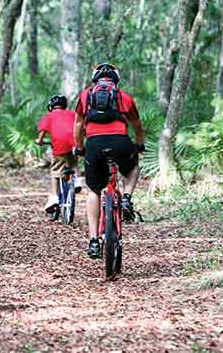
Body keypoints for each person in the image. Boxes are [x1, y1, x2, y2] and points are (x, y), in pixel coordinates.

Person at [72, 63, 145, 259]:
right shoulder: (125, 97)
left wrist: (79, 147)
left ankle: (94, 240)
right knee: (133, 167)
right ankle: (127, 198)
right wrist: (139, 145)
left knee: (94, 190)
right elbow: (137, 126)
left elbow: (78, 125)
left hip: (94, 145)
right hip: (120, 142)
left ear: (95, 79)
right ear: (116, 80)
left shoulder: (85, 95)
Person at [36, 95, 82, 214]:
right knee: (73, 163)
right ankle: (77, 181)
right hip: (74, 143)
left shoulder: (49, 116)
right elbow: (80, 126)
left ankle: (54, 198)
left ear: (51, 106)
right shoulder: (72, 114)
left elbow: (43, 130)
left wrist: (39, 141)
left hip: (59, 144)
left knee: (55, 169)